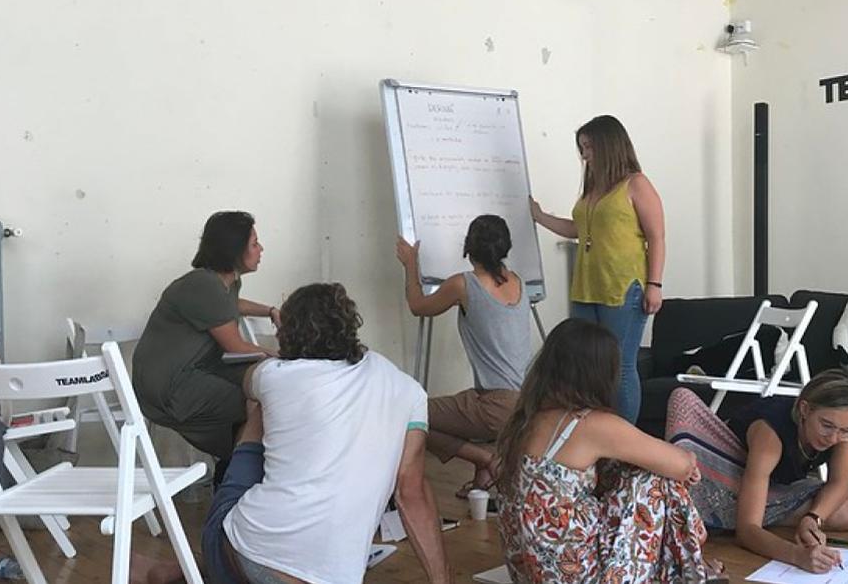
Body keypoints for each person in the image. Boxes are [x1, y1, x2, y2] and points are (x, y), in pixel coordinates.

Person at [201, 282, 452, 584]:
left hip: (255, 553)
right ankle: (175, 571)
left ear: (288, 333)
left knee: (257, 409)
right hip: (336, 575)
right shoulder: (409, 391)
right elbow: (411, 493)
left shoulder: (273, 375)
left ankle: (180, 570)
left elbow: (248, 383)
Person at [495, 318, 721, 584]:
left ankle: (692, 567)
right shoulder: (589, 423)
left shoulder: (528, 417)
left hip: (531, 572)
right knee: (655, 482)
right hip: (576, 575)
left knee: (631, 468)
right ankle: (692, 567)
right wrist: (687, 465)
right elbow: (680, 463)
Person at [666, 369, 848, 575]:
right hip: (728, 479)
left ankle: (740, 514)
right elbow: (746, 531)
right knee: (745, 520)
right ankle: (732, 512)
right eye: (826, 426)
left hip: (771, 490)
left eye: (845, 431)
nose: (833, 438)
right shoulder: (770, 434)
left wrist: (813, 518)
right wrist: (797, 555)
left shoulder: (842, 430)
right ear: (805, 409)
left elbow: (840, 483)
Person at [530, 114, 664, 424]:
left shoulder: (636, 184)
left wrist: (654, 284)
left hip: (622, 288)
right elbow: (576, 228)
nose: (585, 155)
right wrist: (539, 216)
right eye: (581, 148)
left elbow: (657, 236)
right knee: (587, 362)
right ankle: (596, 431)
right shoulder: (593, 189)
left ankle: (625, 439)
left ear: (608, 144)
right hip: (587, 287)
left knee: (620, 365)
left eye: (589, 146)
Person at [395, 214, 532, 498]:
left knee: (408, 414)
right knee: (467, 401)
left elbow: (418, 306)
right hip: (528, 401)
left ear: (469, 248)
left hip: (497, 406)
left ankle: (485, 460)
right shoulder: (519, 282)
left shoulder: (463, 284)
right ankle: (482, 475)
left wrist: (411, 265)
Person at [132, 211, 279, 472]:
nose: (261, 249)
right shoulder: (203, 285)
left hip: (193, 372)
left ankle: (234, 467)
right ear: (234, 250)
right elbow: (236, 347)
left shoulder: (224, 283)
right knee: (266, 399)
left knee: (262, 385)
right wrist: (286, 358)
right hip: (168, 388)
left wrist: (270, 311)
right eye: (254, 244)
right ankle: (238, 472)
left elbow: (231, 305)